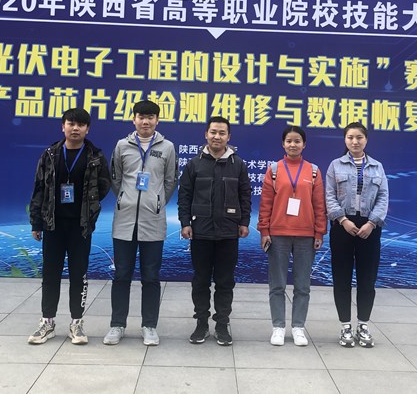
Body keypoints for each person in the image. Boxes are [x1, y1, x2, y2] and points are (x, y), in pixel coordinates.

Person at [27, 107, 111, 345]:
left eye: (80, 125)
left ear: (87, 129)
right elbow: (39, 188)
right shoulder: (50, 155)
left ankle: (77, 323)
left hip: (80, 226)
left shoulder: (95, 157)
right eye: (71, 124)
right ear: (62, 126)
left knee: (79, 275)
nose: (75, 128)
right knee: (50, 275)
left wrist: (90, 207)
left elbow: (104, 186)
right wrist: (36, 222)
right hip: (53, 225)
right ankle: (47, 322)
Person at [104, 100, 177, 346]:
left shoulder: (167, 147)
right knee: (121, 275)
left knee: (151, 277)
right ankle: (117, 325)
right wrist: (125, 199)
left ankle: (149, 326)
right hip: (124, 222)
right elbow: (115, 178)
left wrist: (156, 202)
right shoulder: (121, 145)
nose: (145, 121)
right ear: (133, 119)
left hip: (153, 221)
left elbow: (170, 181)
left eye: (150, 117)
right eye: (141, 117)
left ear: (157, 120)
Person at [178, 116, 251, 346]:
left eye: (222, 133)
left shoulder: (238, 164)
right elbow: (184, 196)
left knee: (225, 282)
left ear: (229, 137)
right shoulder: (194, 164)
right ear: (206, 134)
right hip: (200, 232)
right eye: (213, 132)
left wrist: (244, 222)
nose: (217, 137)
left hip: (228, 233)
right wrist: (185, 223)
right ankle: (201, 323)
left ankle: (221, 325)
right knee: (200, 281)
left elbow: (245, 196)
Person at [258, 126, 327, 347]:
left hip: (306, 236)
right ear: (283, 144)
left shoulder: (313, 171)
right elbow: (265, 203)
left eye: (297, 141)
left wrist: (319, 231)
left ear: (304, 144)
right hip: (278, 235)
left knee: (302, 286)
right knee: (277, 285)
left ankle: (298, 327)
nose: (293, 145)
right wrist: (264, 230)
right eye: (289, 141)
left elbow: (319, 205)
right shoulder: (274, 170)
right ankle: (278, 327)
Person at [325, 122, 388, 348]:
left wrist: (371, 223)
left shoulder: (377, 167)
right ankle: (345, 326)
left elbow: (383, 197)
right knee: (341, 278)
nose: (355, 141)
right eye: (350, 137)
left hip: (369, 228)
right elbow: (329, 196)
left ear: (366, 140)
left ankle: (363, 325)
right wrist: (343, 220)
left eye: (359, 137)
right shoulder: (335, 165)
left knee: (367, 279)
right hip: (342, 226)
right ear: (345, 140)